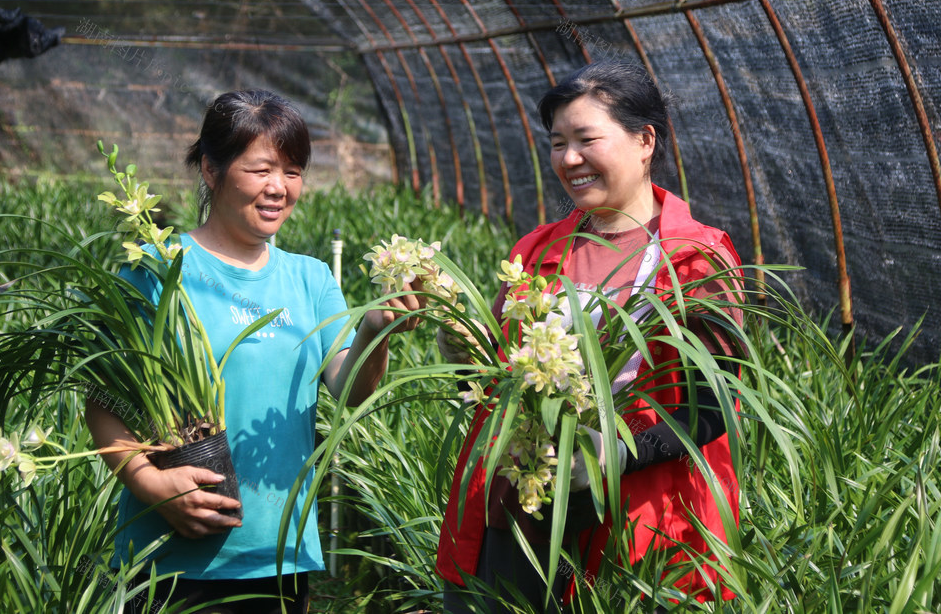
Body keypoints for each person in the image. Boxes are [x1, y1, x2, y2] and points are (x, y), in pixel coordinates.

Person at [85, 90, 424, 613]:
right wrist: (152, 484)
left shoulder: (310, 279)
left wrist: (376, 329)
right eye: (261, 169)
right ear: (210, 169)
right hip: (169, 561)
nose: (278, 188)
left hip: (280, 556)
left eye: (293, 171)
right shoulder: (157, 270)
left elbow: (351, 387)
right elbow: (103, 403)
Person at [435, 61, 743, 611]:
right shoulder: (537, 250)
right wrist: (467, 353)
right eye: (557, 143)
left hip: (642, 523)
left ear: (645, 140)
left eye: (585, 139)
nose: (569, 159)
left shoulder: (696, 258)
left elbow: (714, 403)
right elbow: (500, 382)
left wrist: (616, 451)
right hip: (520, 510)